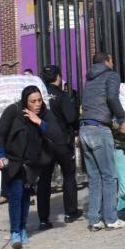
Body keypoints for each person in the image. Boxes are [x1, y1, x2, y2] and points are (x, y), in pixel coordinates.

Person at [0, 86, 63, 249]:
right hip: (14, 160)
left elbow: (58, 135)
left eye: (39, 100)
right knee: (16, 194)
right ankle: (15, 231)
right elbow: (0, 134)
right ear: (26, 101)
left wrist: (39, 122)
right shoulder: (13, 111)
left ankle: (23, 226)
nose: (37, 104)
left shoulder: (44, 113)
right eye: (33, 101)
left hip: (33, 163)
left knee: (25, 196)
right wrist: (0, 154)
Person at [79, 52, 125, 231]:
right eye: (112, 59)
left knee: (94, 178)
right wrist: (122, 120)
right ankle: (111, 218)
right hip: (100, 130)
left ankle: (94, 219)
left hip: (84, 129)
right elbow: (111, 97)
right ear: (108, 61)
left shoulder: (89, 79)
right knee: (109, 176)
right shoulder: (111, 75)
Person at [41, 65, 83, 223]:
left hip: (45, 141)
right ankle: (70, 212)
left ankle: (43, 219)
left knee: (44, 179)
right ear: (58, 77)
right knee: (69, 175)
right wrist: (76, 128)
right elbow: (72, 117)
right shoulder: (62, 95)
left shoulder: (40, 96)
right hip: (62, 141)